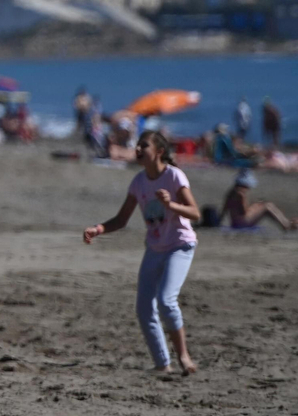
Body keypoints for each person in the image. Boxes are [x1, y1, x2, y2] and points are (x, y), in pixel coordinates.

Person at [82, 130, 201, 375]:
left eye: (143, 146)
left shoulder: (174, 176)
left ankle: (184, 356)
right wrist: (99, 229)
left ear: (159, 151)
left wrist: (171, 205)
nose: (137, 150)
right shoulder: (139, 182)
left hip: (180, 245)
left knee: (166, 301)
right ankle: (162, 364)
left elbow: (195, 213)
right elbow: (122, 219)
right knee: (144, 308)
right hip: (155, 248)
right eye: (137, 145)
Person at [221, 170, 294, 231]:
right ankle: (286, 224)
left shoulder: (231, 192)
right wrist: (253, 207)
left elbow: (224, 208)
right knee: (267, 206)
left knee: (261, 204)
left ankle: (286, 223)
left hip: (234, 222)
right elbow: (244, 212)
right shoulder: (242, 194)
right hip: (242, 223)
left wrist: (219, 221)